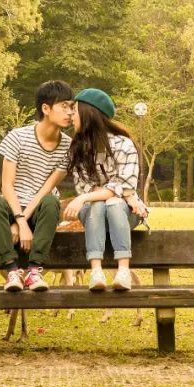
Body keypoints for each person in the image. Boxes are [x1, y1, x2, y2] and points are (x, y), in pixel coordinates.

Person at [0, 80, 75, 292]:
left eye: (72, 107)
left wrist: (23, 221)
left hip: (41, 211)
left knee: (52, 200)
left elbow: (46, 188)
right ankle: (12, 272)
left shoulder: (68, 146)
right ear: (46, 108)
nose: (70, 112)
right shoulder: (18, 136)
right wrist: (18, 221)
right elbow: (7, 186)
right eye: (64, 106)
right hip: (13, 205)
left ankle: (34, 271)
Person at [63, 88, 149, 291]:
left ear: (88, 113)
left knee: (113, 203)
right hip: (95, 214)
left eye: (75, 111)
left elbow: (123, 186)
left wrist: (85, 198)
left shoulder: (124, 145)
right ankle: (96, 272)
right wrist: (97, 194)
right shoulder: (78, 149)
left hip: (125, 214)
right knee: (100, 204)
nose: (71, 116)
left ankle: (123, 271)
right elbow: (86, 186)